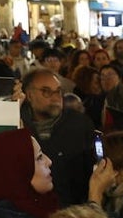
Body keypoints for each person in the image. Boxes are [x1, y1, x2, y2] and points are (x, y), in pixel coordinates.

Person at [20, 68, 95, 206]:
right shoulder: (17, 125)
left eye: (58, 91)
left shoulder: (80, 125)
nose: (55, 97)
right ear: (29, 95)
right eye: (46, 91)